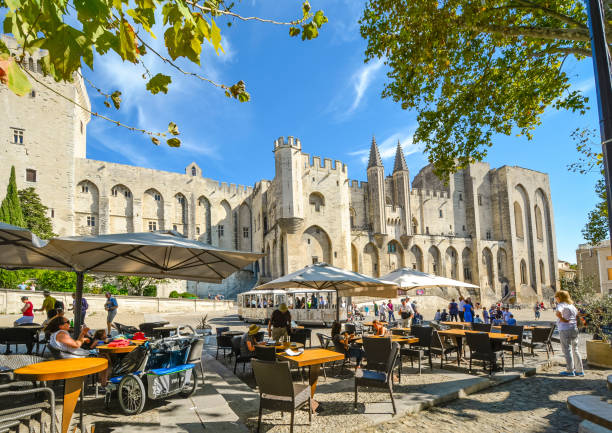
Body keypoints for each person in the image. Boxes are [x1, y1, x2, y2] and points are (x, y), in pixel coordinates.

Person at [555, 290, 584, 377]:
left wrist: (563, 319)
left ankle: (570, 370)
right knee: (575, 349)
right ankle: (579, 370)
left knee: (567, 350)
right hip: (574, 328)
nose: (556, 299)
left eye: (556, 297)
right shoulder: (572, 306)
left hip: (564, 329)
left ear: (559, 297)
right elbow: (578, 314)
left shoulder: (561, 305)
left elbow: (558, 313)